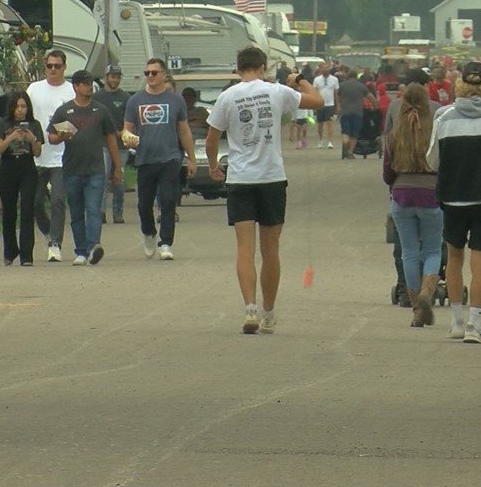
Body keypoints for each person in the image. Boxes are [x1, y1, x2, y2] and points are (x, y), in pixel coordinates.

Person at [206, 46, 323, 333]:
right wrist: (299, 80)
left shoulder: (227, 97)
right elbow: (317, 102)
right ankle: (269, 312)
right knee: (271, 250)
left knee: (244, 248)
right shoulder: (276, 91)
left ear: (238, 68)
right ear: (263, 67)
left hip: (241, 179)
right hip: (271, 177)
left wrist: (212, 166)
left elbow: (212, 139)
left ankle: (250, 309)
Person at [426, 62, 481, 344]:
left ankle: (455, 321)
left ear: (461, 84)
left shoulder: (444, 115)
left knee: (454, 257)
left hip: (452, 195)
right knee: (480, 261)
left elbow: (432, 159)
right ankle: (475, 325)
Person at [124, 58, 197, 261]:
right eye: (147, 73)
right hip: (145, 158)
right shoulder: (135, 101)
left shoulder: (175, 101)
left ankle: (166, 243)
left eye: (154, 73)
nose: (150, 76)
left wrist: (191, 158)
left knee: (168, 200)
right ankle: (149, 232)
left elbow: (184, 131)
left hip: (170, 158)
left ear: (164, 75)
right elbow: (127, 129)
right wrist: (127, 139)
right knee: (143, 204)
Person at [49, 70, 122, 265]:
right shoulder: (65, 111)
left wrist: (117, 166)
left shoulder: (100, 110)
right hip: (72, 169)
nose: (89, 87)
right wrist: (61, 136)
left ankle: (93, 247)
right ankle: (80, 250)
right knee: (76, 212)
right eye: (85, 84)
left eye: (91, 83)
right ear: (76, 86)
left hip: (95, 170)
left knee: (94, 209)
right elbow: (51, 137)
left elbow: (110, 139)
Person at [383, 84, 442, 328]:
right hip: (431, 195)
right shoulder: (435, 132)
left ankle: (417, 306)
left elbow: (387, 173)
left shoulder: (394, 135)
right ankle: (428, 293)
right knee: (432, 250)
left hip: (402, 196)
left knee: (409, 252)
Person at [27, 49, 76, 261]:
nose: (53, 70)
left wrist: (64, 132)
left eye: (57, 66)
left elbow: (78, 120)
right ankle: (48, 232)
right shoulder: (34, 89)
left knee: (57, 199)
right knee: (35, 202)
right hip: (38, 154)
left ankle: (56, 243)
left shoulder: (71, 91)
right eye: (49, 66)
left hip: (62, 156)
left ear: (65, 67)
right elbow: (26, 115)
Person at [0, 90, 43, 265]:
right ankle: (10, 251)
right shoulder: (2, 124)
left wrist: (31, 138)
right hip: (8, 167)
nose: (20, 110)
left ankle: (27, 254)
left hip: (27, 168)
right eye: (17, 107)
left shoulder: (34, 125)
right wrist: (11, 137)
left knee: (27, 209)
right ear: (12, 108)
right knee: (9, 211)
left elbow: (37, 152)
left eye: (24, 106)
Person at [93, 64, 131, 224]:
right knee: (102, 178)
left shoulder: (126, 98)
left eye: (117, 77)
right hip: (102, 145)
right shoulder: (97, 97)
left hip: (121, 146)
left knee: (118, 179)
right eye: (112, 76)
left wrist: (124, 132)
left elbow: (130, 120)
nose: (115, 80)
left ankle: (118, 212)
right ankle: (100, 211)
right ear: (106, 77)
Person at [337, 66, 375, 159]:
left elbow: (338, 97)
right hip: (357, 112)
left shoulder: (342, 85)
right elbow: (371, 97)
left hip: (345, 111)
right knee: (354, 133)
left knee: (345, 131)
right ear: (356, 76)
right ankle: (350, 151)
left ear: (348, 75)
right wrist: (375, 106)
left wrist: (339, 107)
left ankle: (345, 143)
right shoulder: (361, 86)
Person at [312, 61, 339, 149]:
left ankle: (330, 141)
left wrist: (337, 106)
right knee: (320, 124)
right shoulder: (317, 79)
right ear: (320, 69)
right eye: (323, 68)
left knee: (329, 123)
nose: (325, 70)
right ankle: (320, 140)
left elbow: (336, 93)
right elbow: (315, 92)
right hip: (320, 104)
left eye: (327, 68)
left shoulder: (334, 79)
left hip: (330, 104)